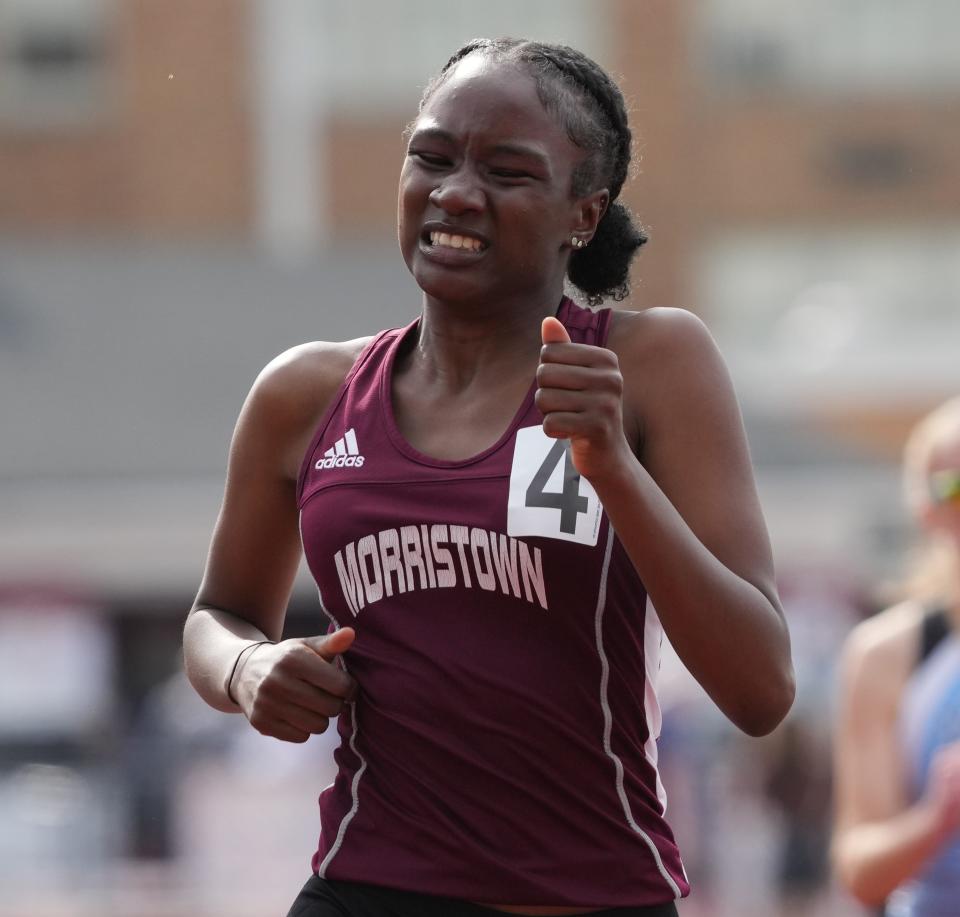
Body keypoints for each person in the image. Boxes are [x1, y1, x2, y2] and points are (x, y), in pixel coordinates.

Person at [183, 38, 794, 917]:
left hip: (588, 894)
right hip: (368, 886)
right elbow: (218, 613)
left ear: (583, 213)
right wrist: (248, 668)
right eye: (431, 158)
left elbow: (761, 689)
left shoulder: (651, 363)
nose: (455, 192)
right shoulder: (304, 393)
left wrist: (613, 466)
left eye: (507, 171)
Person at [832, 396, 960, 916]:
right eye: (955, 488)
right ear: (923, 508)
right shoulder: (887, 654)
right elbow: (861, 873)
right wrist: (938, 818)